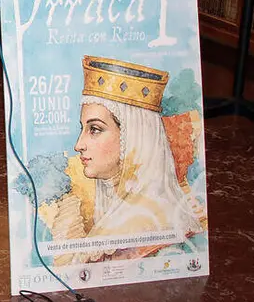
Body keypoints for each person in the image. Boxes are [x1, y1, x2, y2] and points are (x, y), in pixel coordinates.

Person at [64, 56, 205, 263]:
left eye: (94, 129)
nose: (79, 145)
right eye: (83, 128)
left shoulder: (142, 225)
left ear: (133, 137)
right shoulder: (116, 218)